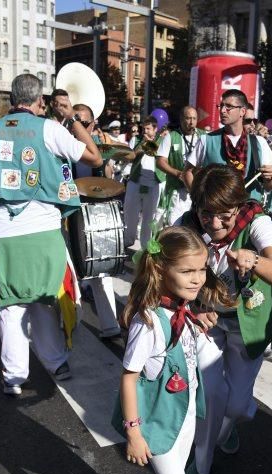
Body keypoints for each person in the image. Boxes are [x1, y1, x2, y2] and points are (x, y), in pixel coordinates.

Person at [112, 226, 233, 474]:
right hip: (156, 419)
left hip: (183, 412)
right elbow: (129, 376)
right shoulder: (148, 321)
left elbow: (183, 337)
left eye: (201, 270)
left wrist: (199, 320)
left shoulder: (180, 308)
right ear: (161, 270)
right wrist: (133, 431)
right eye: (187, 271)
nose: (197, 279)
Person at [0, 73, 102, 396]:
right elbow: (93, 157)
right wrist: (73, 118)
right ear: (40, 101)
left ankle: (14, 376)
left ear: (10, 99)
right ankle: (56, 361)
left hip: (1, 229)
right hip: (43, 228)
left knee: (10, 305)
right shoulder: (49, 128)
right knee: (45, 300)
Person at [179, 164, 272, 474]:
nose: (214, 224)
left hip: (247, 324)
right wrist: (192, 308)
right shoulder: (186, 224)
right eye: (205, 214)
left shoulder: (257, 223)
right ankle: (202, 461)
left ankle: (229, 426)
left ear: (238, 207)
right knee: (211, 393)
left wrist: (253, 260)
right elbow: (158, 267)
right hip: (208, 322)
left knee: (238, 406)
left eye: (223, 215)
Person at [72, 102, 119, 338]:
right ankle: (71, 324)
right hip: (69, 213)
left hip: (96, 213)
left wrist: (108, 167)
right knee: (69, 271)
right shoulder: (63, 145)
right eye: (75, 121)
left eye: (85, 122)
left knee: (101, 269)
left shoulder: (101, 147)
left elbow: (110, 180)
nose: (79, 126)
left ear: (93, 123)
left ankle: (110, 326)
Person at [184, 89, 272, 205]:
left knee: (267, 224)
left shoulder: (259, 143)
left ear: (242, 111)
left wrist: (269, 179)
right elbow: (187, 171)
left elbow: (269, 187)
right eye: (221, 106)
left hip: (249, 209)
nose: (222, 111)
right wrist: (198, 198)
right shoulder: (206, 140)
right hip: (216, 212)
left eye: (228, 107)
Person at [155, 106, 203, 226]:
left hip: (198, 189)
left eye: (194, 118)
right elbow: (160, 162)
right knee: (175, 224)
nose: (191, 122)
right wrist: (177, 173)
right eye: (188, 118)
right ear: (181, 119)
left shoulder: (204, 136)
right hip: (177, 190)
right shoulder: (171, 136)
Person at [124, 116, 165, 248]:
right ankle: (128, 240)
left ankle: (146, 246)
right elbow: (130, 157)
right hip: (135, 182)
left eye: (148, 129)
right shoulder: (136, 140)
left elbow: (161, 156)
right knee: (130, 213)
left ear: (155, 129)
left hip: (153, 183)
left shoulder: (163, 141)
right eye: (144, 128)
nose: (145, 131)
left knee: (149, 217)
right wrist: (142, 145)